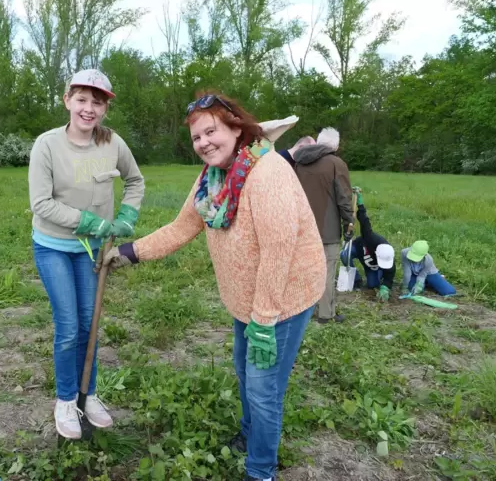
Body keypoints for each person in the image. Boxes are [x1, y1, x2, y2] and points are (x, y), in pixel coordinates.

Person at [99, 92, 326, 481]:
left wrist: (265, 320)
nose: (204, 143)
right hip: (245, 299)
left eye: (211, 131)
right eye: (196, 138)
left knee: (263, 387)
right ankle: (250, 434)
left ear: (236, 128)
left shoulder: (267, 173)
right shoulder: (213, 177)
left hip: (284, 298)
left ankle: (260, 470)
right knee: (245, 372)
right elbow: (184, 225)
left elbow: (278, 249)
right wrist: (130, 252)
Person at [27, 68, 145, 440]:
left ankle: (87, 395)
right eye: (81, 99)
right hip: (54, 248)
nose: (88, 108)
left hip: (93, 252)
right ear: (67, 101)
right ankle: (65, 400)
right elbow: (41, 203)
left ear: (105, 109)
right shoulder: (47, 145)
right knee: (68, 327)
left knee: (88, 323)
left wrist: (127, 214)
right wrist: (90, 222)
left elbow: (135, 180)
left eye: (97, 102)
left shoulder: (112, 144)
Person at [293, 127, 354, 323]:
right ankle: (326, 313)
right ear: (335, 145)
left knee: (304, 270)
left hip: (301, 228)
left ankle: (301, 311)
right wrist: (349, 222)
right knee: (326, 271)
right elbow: (344, 198)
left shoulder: (299, 163)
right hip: (327, 231)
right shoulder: (336, 164)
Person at [340, 187, 396, 302]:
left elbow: (390, 276)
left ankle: (378, 276)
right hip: (359, 250)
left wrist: (385, 287)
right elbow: (364, 220)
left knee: (372, 285)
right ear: (376, 253)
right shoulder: (371, 238)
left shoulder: (389, 255)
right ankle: (356, 279)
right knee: (345, 254)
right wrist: (360, 204)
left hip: (371, 266)